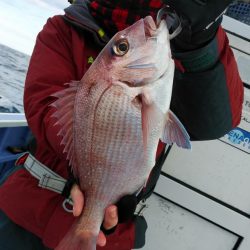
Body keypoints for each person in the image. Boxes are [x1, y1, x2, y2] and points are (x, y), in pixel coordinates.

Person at [0, 0, 243, 249]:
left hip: (111, 234)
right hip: (28, 210)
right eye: (123, 47)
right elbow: (43, 108)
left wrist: (200, 45)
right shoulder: (64, 28)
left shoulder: (182, 36)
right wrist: (91, 166)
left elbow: (215, 123)